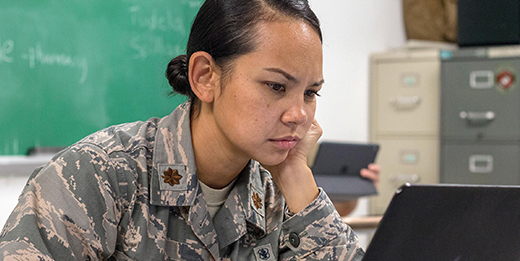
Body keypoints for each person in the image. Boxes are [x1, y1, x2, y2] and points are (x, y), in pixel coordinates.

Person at [0, 0, 365, 260]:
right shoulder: (99, 175)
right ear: (205, 76)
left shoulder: (278, 197)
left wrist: (296, 174)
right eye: (275, 86)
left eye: (311, 93)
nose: (299, 114)